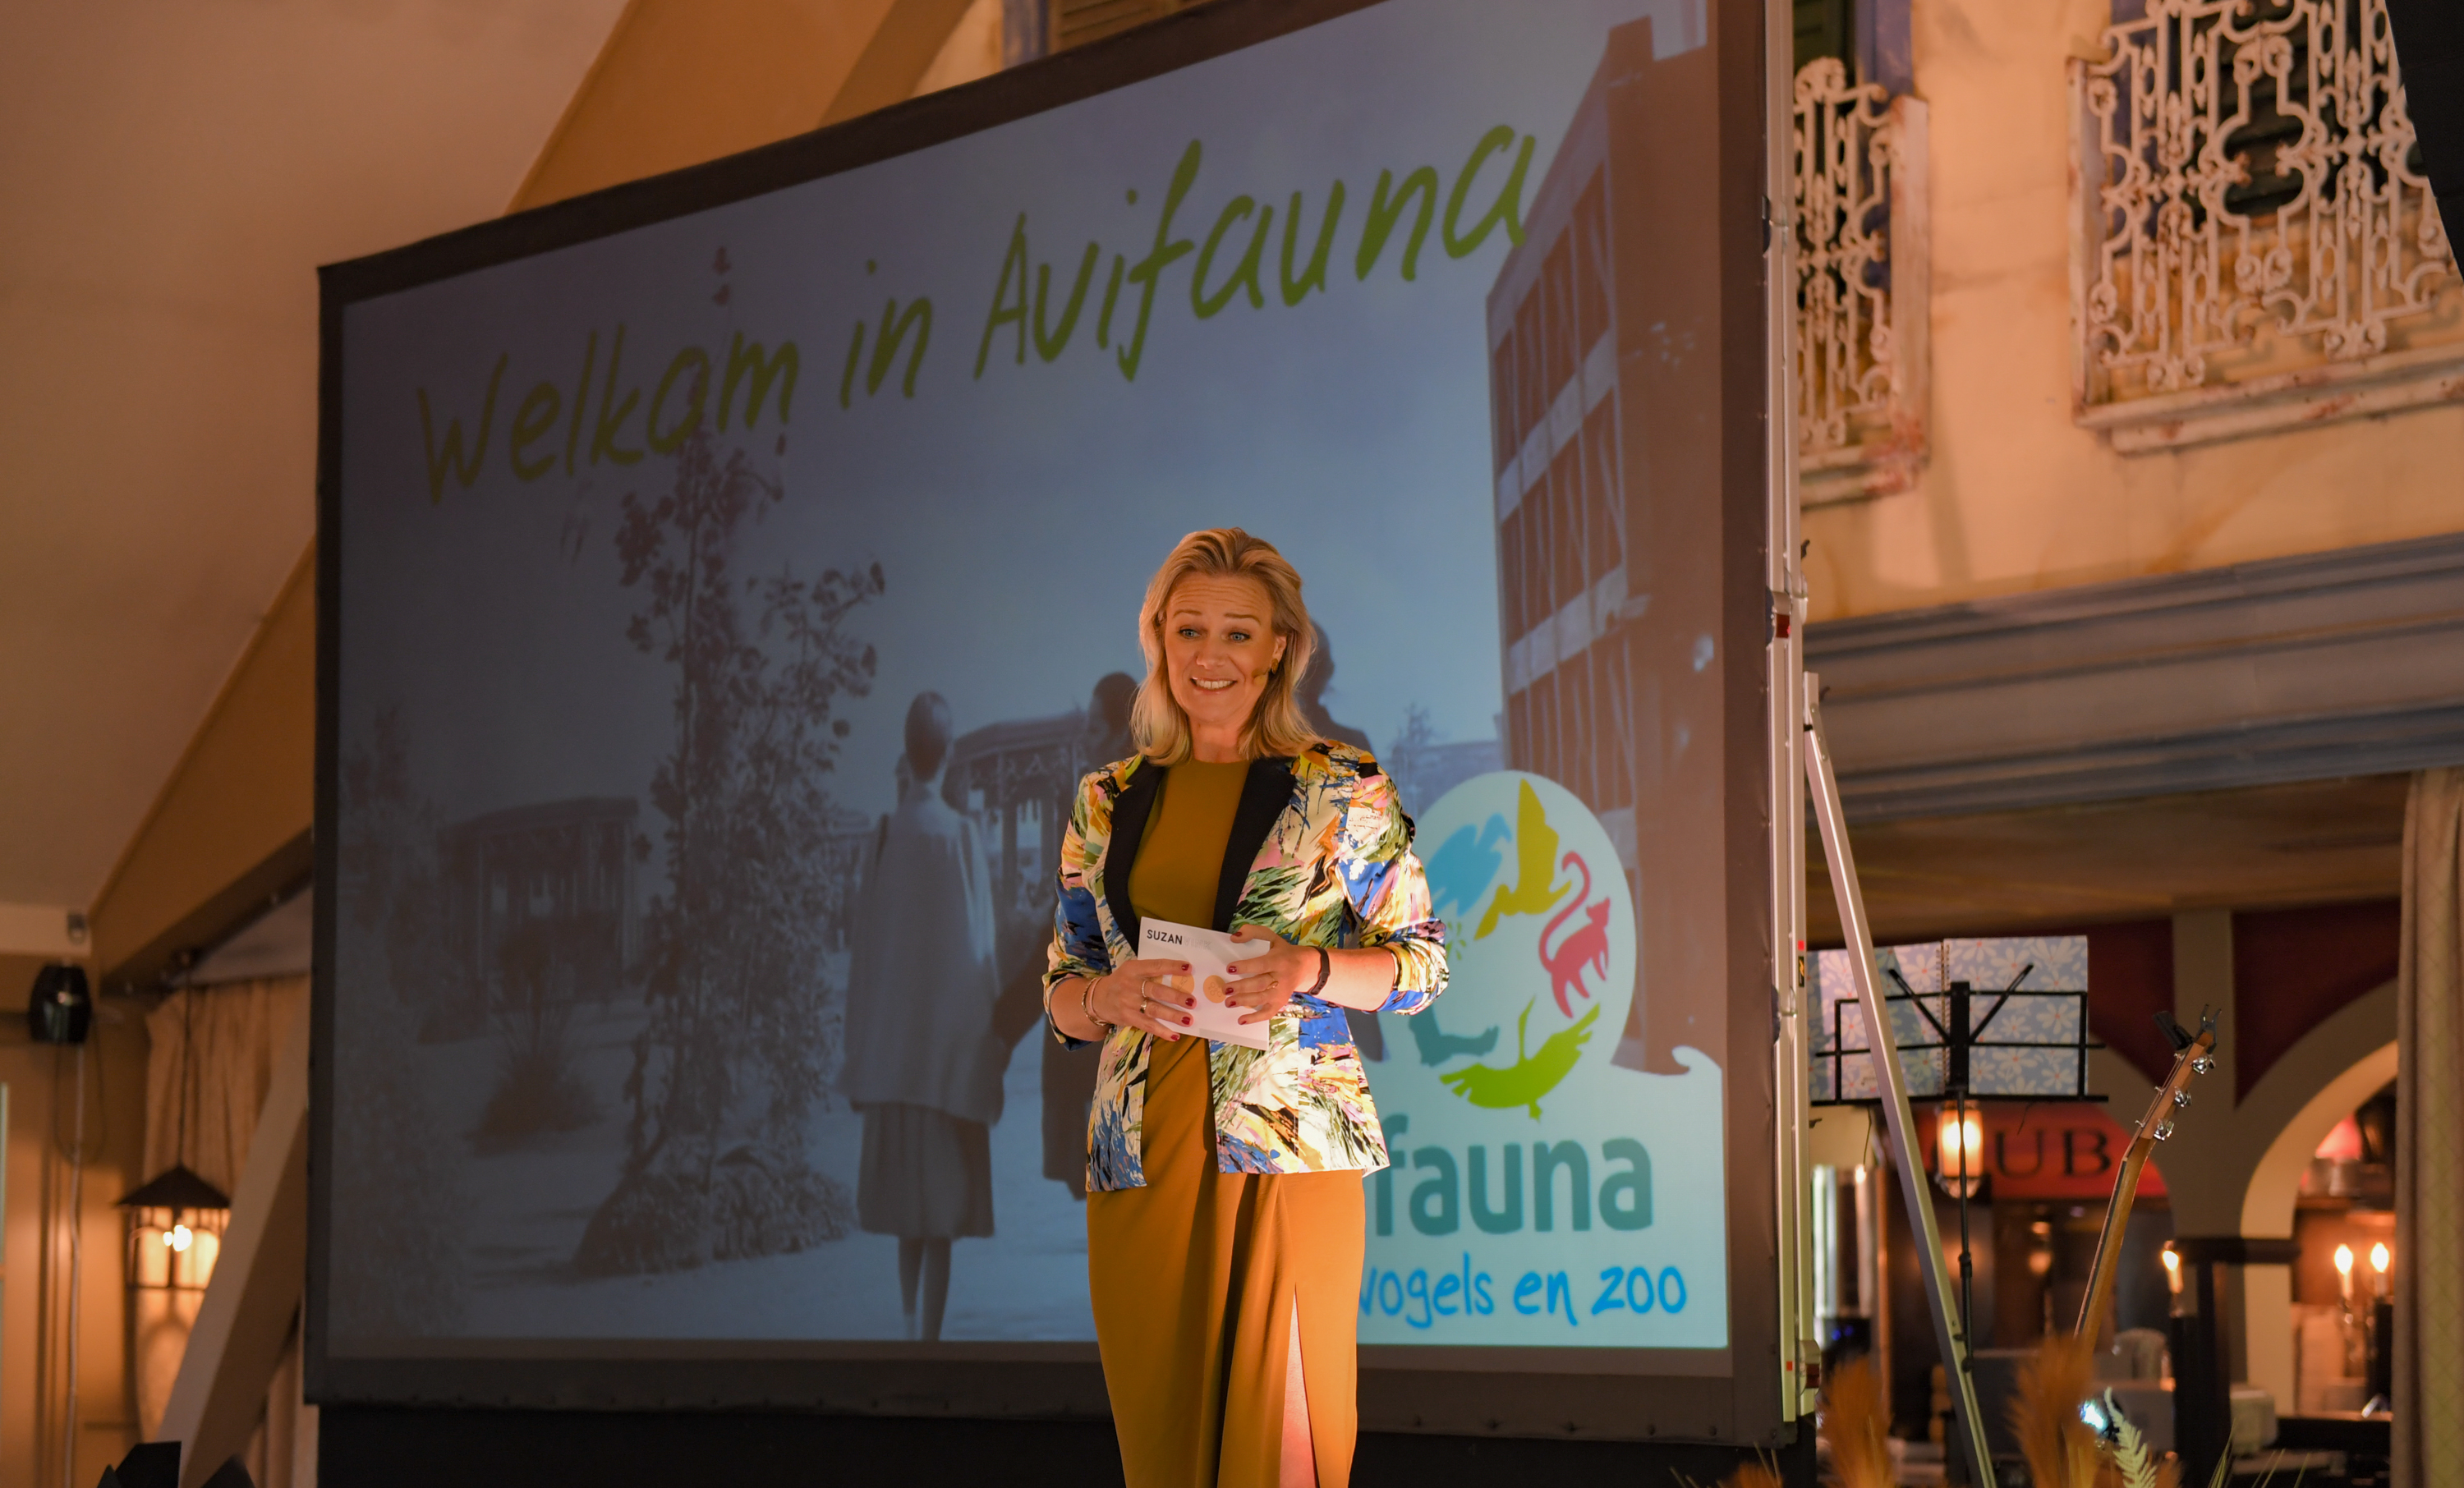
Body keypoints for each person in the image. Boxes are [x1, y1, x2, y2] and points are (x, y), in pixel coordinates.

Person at [1043, 529, 1449, 1488]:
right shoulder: (1105, 801)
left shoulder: (1342, 786)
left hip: (1289, 1155)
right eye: (1189, 630)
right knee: (1167, 1459)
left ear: (1278, 649)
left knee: (1287, 1456)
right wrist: (1103, 994)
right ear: (1158, 639)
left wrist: (1310, 967)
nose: (1210, 655)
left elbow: (1423, 967)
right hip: (1143, 1163)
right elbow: (1063, 990)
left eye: (1237, 632)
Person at [842, 691, 1003, 1342]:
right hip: (945, 1063)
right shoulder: (961, 838)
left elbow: (864, 955)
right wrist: (986, 1054)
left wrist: (858, 1053)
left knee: (906, 1220)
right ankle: (928, 1340)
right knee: (940, 1222)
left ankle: (910, 1330)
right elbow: (982, 955)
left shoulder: (882, 837)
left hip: (893, 1059)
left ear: (906, 753)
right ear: (949, 754)